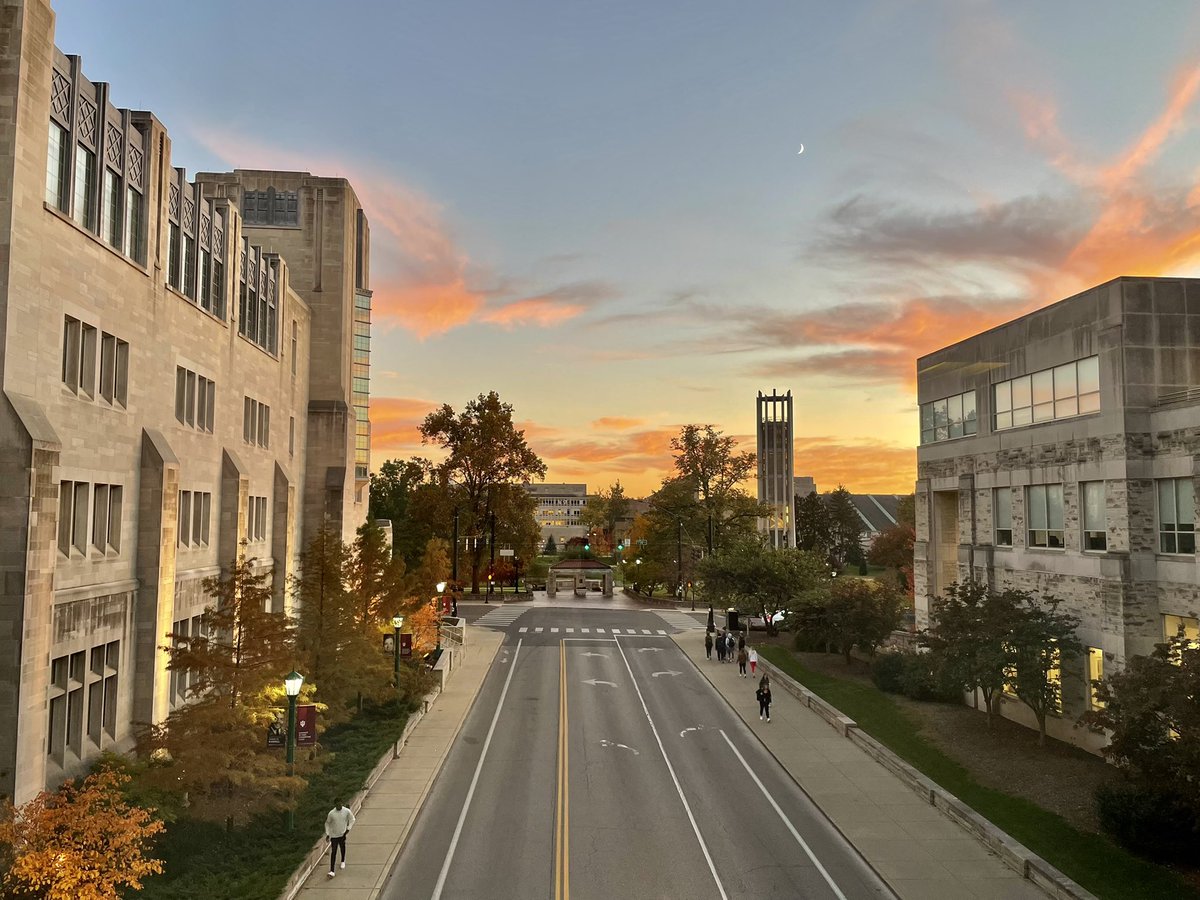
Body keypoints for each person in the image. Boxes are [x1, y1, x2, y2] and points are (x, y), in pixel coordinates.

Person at [325, 799, 356, 877]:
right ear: (335, 805)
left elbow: (352, 819)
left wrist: (348, 828)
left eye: (340, 804)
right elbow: (327, 823)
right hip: (334, 835)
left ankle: (343, 860)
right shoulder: (331, 813)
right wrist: (328, 834)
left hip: (342, 834)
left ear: (342, 803)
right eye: (337, 805)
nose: (339, 806)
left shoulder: (346, 811)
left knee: (342, 847)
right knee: (334, 851)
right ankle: (332, 870)